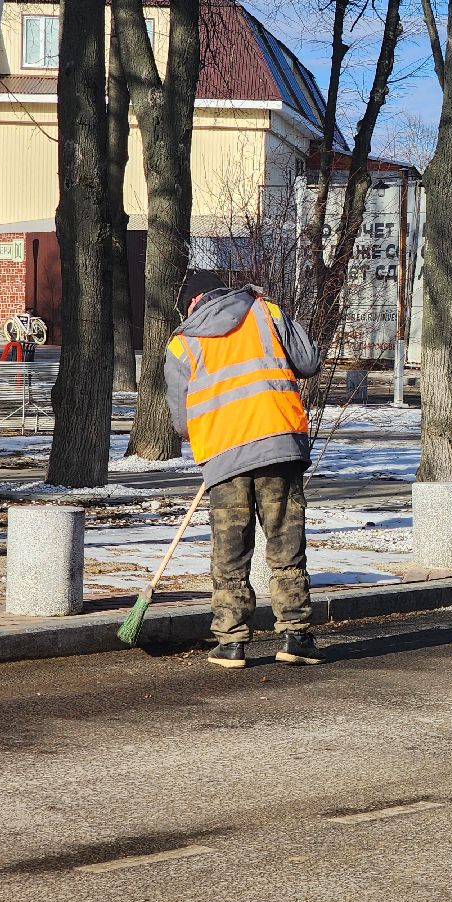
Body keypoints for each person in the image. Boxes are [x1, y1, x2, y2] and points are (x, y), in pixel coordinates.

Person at [164, 272, 323, 669]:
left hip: (225, 457)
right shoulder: (265, 312)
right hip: (278, 446)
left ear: (192, 303)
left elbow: (180, 421)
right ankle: (296, 637)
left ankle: (231, 641)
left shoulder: (182, 343)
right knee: (286, 546)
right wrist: (276, 312)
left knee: (230, 550)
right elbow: (309, 362)